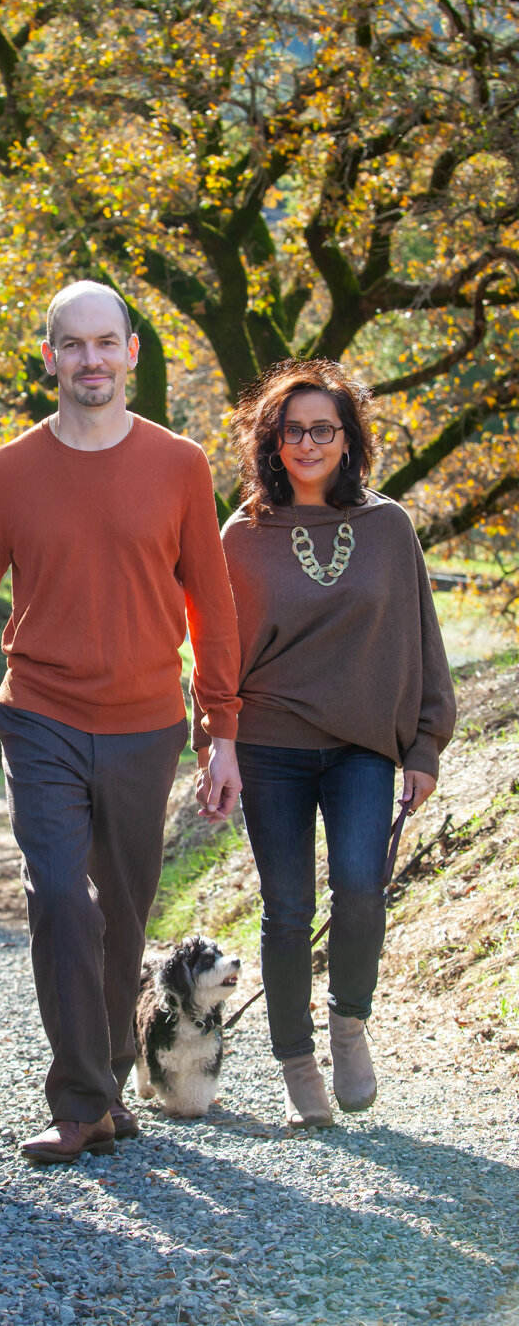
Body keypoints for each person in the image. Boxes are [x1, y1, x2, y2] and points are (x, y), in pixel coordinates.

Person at [0, 279, 243, 1164]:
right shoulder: (9, 471)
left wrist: (221, 731)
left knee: (125, 917)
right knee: (61, 897)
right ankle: (80, 1103)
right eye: (74, 344)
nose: (91, 360)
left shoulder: (179, 464)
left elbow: (212, 604)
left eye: (107, 343)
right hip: (42, 715)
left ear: (132, 352)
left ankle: (107, 1077)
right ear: (50, 355)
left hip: (146, 723)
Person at [202, 359, 456, 1128]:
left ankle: (349, 1023)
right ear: (270, 441)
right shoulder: (241, 535)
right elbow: (214, 649)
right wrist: (219, 743)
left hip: (362, 745)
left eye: (322, 429)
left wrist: (424, 746)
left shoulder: (388, 527)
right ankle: (297, 1063)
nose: (307, 442)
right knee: (285, 910)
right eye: (291, 430)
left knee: (359, 886)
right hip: (271, 742)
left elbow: (421, 637)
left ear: (348, 439)